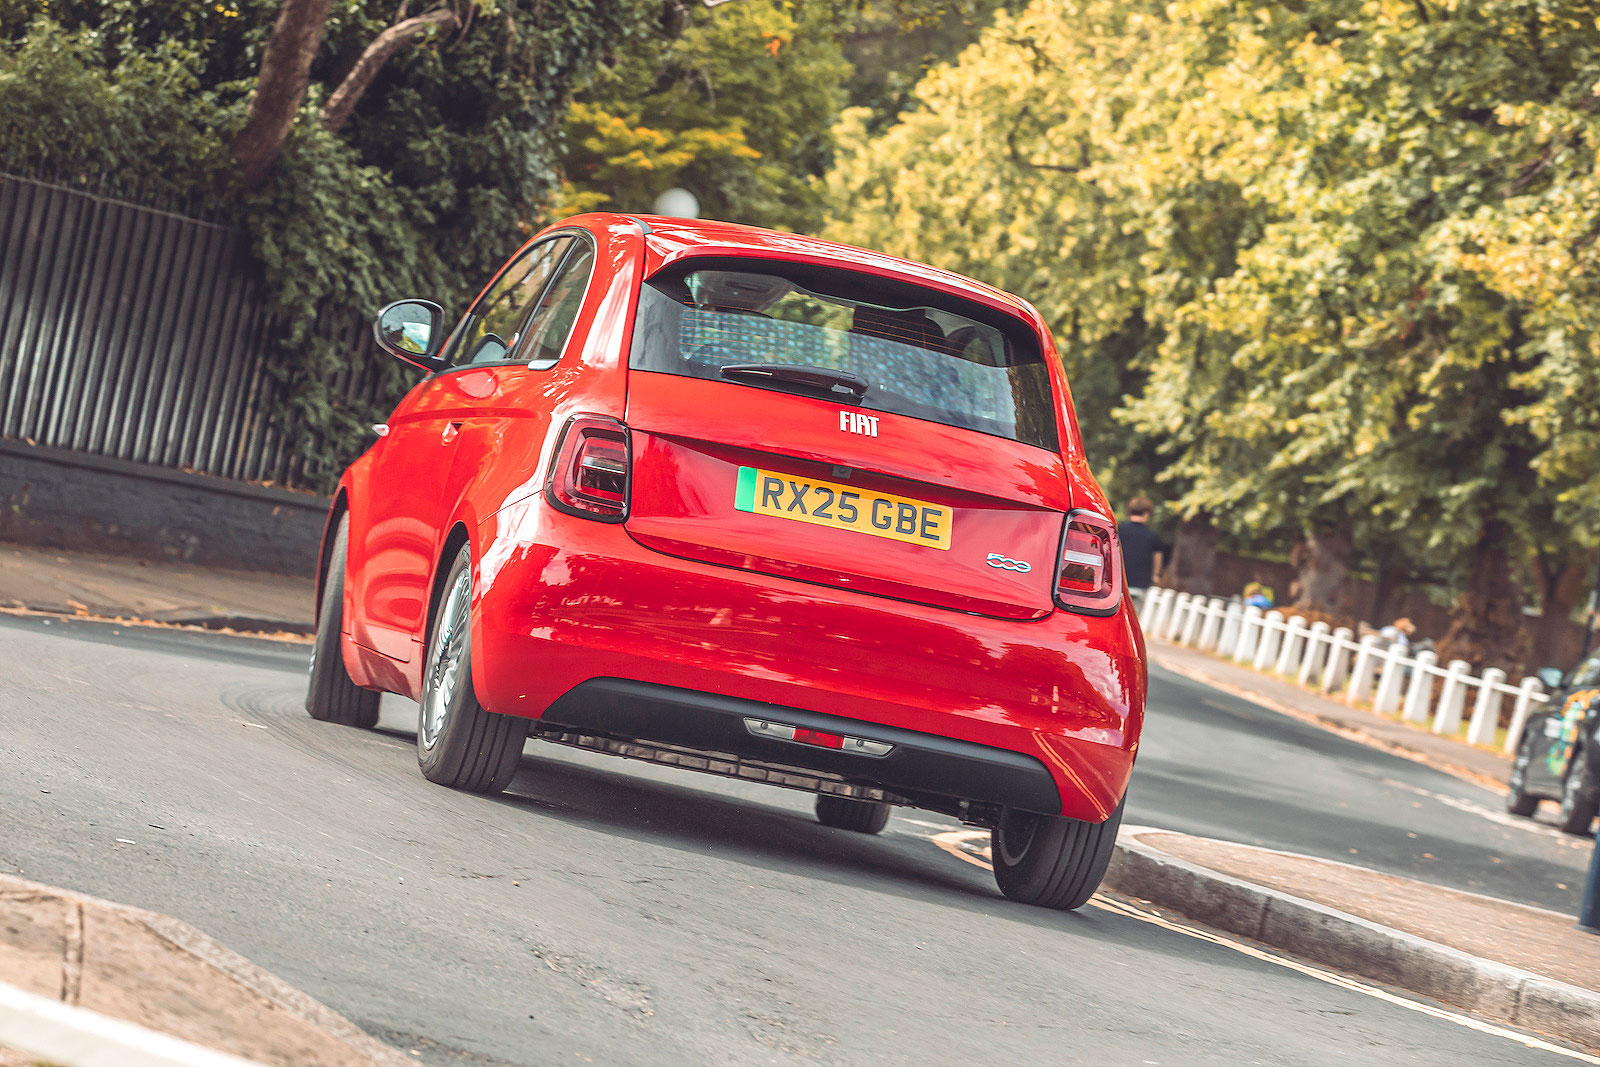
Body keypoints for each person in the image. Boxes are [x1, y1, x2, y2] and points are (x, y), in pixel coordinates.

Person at [1118, 497, 1170, 598]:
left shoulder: (1119, 529)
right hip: (1141, 584)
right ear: (1146, 513)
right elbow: (1157, 556)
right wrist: (1155, 575)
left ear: (1129, 511)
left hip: (1119, 581)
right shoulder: (1152, 535)